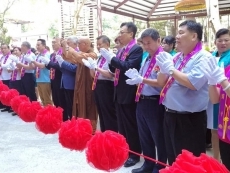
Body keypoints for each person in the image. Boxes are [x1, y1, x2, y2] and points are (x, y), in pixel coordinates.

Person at [156, 20, 211, 165]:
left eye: (181, 33)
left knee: (190, 162)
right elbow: (162, 81)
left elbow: (193, 83)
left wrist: (171, 69)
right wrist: (163, 68)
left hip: (189, 119)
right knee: (173, 158)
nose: (177, 37)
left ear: (194, 36)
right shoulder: (177, 57)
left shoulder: (203, 57)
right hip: (169, 114)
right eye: (177, 33)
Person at [100, 22, 142, 167]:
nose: (119, 35)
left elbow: (127, 67)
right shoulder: (122, 50)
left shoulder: (136, 49)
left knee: (130, 124)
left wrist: (112, 58)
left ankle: (134, 153)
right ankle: (124, 149)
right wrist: (110, 58)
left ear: (131, 34)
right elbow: (114, 67)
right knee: (122, 125)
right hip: (118, 91)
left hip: (128, 91)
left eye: (122, 32)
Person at [125, 28, 167, 173]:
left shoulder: (163, 57)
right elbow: (143, 79)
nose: (146, 46)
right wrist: (137, 79)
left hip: (154, 101)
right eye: (144, 43)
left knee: (158, 136)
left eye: (149, 43)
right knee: (144, 135)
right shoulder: (147, 58)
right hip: (141, 100)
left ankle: (160, 166)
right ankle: (148, 164)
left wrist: (142, 79)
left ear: (158, 40)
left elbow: (162, 82)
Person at [61, 37, 98, 131]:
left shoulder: (92, 54)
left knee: (89, 106)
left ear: (85, 44)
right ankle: (81, 126)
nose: (78, 46)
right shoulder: (81, 53)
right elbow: (68, 57)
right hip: (80, 86)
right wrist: (65, 46)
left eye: (79, 43)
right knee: (79, 105)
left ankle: (90, 128)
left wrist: (68, 47)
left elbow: (78, 57)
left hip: (88, 87)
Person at [200, 57, 230, 170]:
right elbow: (215, 99)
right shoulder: (227, 70)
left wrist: (222, 80)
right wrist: (211, 82)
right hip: (225, 131)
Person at [82, 35, 118, 132]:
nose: (98, 46)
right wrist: (91, 67)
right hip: (98, 84)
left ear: (107, 44)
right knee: (101, 112)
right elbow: (94, 75)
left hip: (107, 86)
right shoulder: (100, 57)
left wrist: (97, 68)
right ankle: (104, 134)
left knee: (108, 112)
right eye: (97, 44)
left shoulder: (111, 57)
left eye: (100, 44)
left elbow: (111, 75)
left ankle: (111, 135)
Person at [207, 28, 230, 161]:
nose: (223, 43)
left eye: (226, 40)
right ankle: (216, 159)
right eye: (220, 40)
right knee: (214, 130)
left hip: (226, 98)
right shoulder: (213, 56)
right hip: (214, 97)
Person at [41, 37, 67, 120]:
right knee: (55, 98)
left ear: (60, 43)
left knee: (61, 99)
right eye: (52, 43)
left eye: (54, 42)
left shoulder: (63, 53)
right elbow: (51, 67)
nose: (52, 44)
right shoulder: (53, 54)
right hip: (53, 79)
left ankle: (64, 118)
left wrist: (49, 63)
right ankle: (58, 116)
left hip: (60, 79)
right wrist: (46, 63)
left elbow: (60, 67)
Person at [27, 39, 52, 106]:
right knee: (43, 99)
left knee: (47, 100)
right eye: (36, 45)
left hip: (45, 79)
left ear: (44, 45)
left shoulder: (47, 54)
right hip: (39, 79)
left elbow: (42, 66)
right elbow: (33, 67)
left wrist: (33, 61)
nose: (37, 46)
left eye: (38, 45)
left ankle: (50, 114)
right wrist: (29, 61)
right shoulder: (38, 55)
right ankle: (45, 114)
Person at [0, 44, 13, 112]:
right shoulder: (2, 57)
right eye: (2, 48)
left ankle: (10, 106)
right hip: (2, 77)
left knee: (9, 93)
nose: (3, 50)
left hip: (8, 77)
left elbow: (8, 66)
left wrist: (1, 65)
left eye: (5, 48)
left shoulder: (11, 57)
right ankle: (5, 105)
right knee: (3, 93)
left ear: (8, 49)